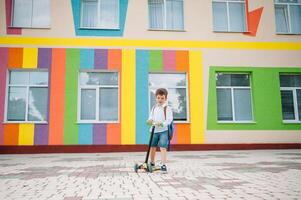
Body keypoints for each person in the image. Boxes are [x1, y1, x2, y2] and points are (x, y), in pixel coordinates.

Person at [146, 88, 173, 173]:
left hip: (163, 131)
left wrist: (161, 124)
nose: (160, 100)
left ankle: (163, 164)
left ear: (165, 98)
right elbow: (151, 117)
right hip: (154, 131)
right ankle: (152, 163)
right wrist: (149, 120)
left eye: (162, 98)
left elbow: (169, 120)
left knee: (163, 147)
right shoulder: (154, 108)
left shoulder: (167, 108)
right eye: (158, 98)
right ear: (156, 98)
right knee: (152, 146)